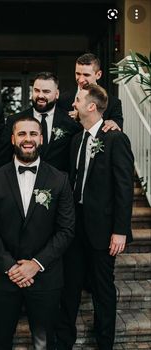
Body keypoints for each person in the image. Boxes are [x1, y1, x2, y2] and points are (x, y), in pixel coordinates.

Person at [0, 116, 75, 350]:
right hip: (2, 277)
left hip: (46, 278)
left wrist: (37, 263)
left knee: (44, 343)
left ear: (41, 139)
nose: (27, 139)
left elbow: (66, 230)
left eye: (33, 134)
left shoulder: (59, 180)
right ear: (13, 139)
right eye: (22, 134)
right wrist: (11, 267)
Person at [56, 84, 134, 350]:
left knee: (103, 289)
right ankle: (64, 341)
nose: (73, 104)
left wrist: (120, 230)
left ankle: (104, 343)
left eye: (77, 100)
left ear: (91, 106)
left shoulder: (115, 138)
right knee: (70, 286)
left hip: (103, 229)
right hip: (75, 226)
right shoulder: (77, 139)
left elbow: (124, 187)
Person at [0, 71, 81, 172]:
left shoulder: (70, 122)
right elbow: (1, 159)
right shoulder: (14, 120)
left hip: (58, 184)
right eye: (36, 90)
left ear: (57, 94)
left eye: (46, 92)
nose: (40, 96)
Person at [57, 53, 124, 130]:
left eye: (86, 75)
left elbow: (116, 131)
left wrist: (113, 124)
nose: (81, 80)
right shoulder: (63, 99)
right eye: (78, 74)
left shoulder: (113, 103)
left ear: (98, 75)